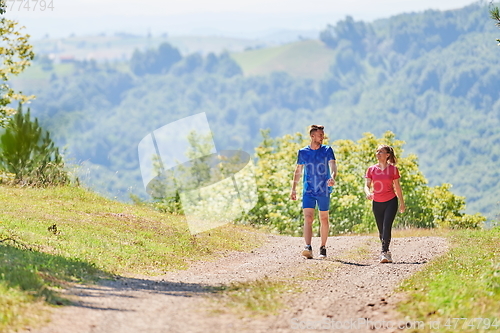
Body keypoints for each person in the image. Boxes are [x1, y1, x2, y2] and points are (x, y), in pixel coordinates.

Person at [290, 125, 337, 259]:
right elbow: (298, 170)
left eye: (323, 135)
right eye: (320, 135)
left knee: (323, 218)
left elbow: (333, 165)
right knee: (308, 217)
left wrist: (333, 177)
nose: (322, 137)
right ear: (312, 136)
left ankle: (322, 247)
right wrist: (293, 189)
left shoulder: (327, 150)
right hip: (308, 190)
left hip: (323, 189)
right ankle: (308, 247)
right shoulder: (303, 152)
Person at [364, 145, 406, 263]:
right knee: (381, 230)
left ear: (387, 155)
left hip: (391, 201)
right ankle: (387, 252)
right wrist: (368, 193)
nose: (378, 153)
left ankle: (384, 252)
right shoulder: (371, 169)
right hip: (377, 202)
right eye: (377, 151)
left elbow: (397, 187)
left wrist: (402, 203)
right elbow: (367, 185)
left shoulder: (393, 169)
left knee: (386, 227)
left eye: (381, 151)